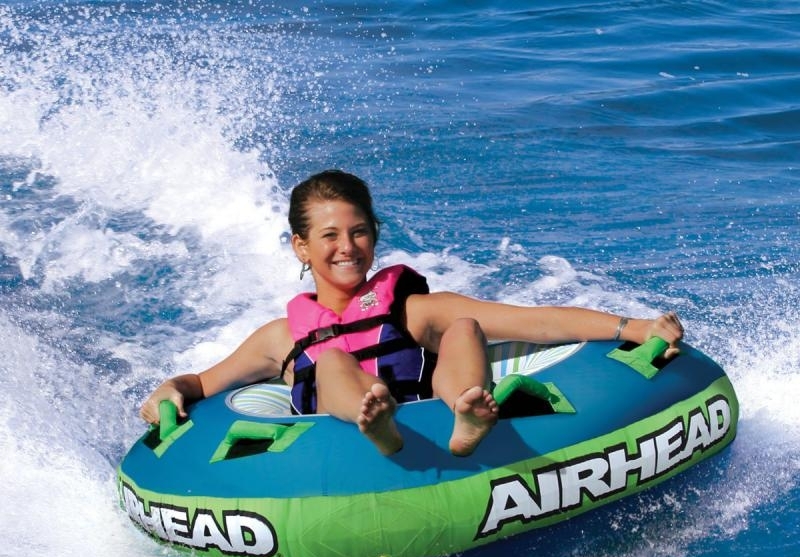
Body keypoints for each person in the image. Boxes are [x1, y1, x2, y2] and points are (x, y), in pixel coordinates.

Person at [140, 170, 684, 457]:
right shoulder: (280, 338)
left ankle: (468, 411)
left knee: (465, 326)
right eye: (329, 236)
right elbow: (202, 383)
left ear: (374, 236)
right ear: (301, 246)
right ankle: (373, 421)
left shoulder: (413, 310)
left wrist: (634, 327)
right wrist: (170, 389)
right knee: (332, 362)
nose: (347, 247)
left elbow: (534, 322)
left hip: (429, 423)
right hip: (339, 444)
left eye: (359, 232)